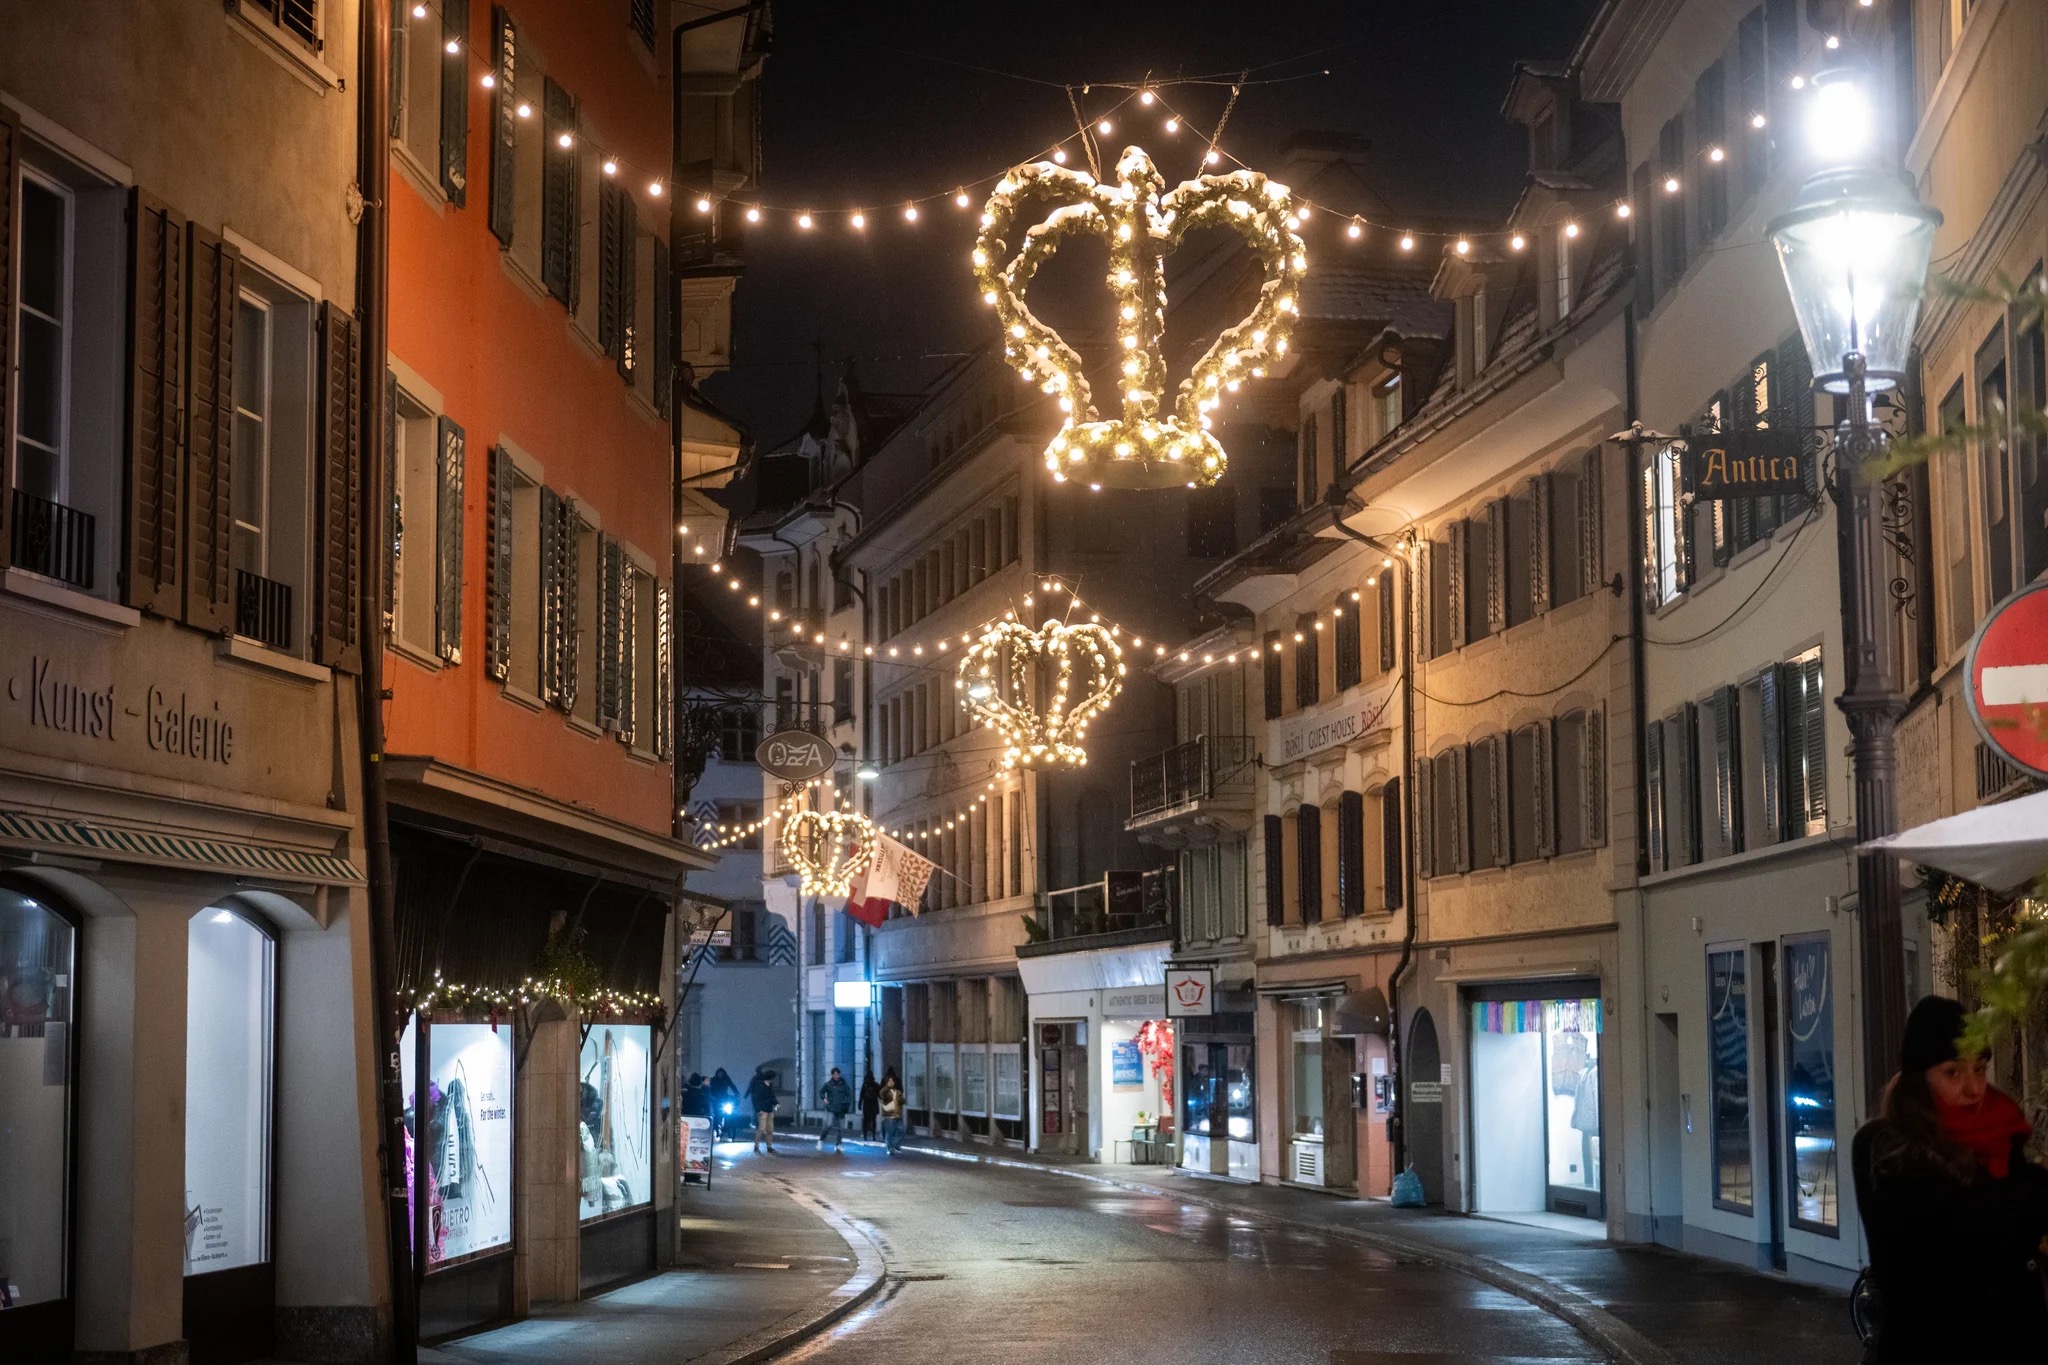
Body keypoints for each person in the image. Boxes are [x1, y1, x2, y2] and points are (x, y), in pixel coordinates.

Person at [1851, 995, 2048, 1362]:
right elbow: (1975, 1236)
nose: (1974, 1088)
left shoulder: (1991, 1138)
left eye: (1980, 1068)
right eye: (1953, 1072)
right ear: (1918, 1078)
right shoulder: (1884, 1147)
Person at [746, 1067, 780, 1154]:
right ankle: (756, 1146)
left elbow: (772, 1096)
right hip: (762, 1110)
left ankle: (769, 1147)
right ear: (770, 1078)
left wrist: (776, 1103)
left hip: (769, 1110)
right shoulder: (760, 1086)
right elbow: (755, 1099)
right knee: (761, 1129)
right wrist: (758, 1110)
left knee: (770, 1129)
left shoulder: (770, 1086)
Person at [819, 1066, 853, 1152]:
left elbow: (849, 1095)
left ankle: (839, 1144)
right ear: (832, 1075)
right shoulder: (828, 1084)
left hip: (841, 1109)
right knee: (828, 1124)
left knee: (841, 1128)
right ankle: (821, 1140)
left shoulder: (844, 1084)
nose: (836, 1076)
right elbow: (821, 1092)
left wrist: (846, 1104)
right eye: (835, 1074)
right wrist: (824, 1098)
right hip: (831, 1108)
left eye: (837, 1074)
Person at [878, 1069, 906, 1155]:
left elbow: (902, 1101)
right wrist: (887, 1087)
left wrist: (900, 1099)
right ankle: (889, 1148)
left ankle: (895, 1144)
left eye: (892, 1081)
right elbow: (881, 1094)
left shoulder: (897, 1091)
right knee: (889, 1133)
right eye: (889, 1081)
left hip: (897, 1114)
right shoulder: (884, 1091)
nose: (891, 1082)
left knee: (902, 1130)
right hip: (889, 1115)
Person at [708, 1068, 740, 1140]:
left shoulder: (726, 1079)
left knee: (729, 1115)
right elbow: (710, 1089)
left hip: (725, 1099)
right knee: (716, 1116)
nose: (720, 1075)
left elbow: (732, 1086)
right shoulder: (713, 1080)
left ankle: (727, 1129)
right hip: (716, 1100)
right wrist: (712, 1096)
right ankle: (716, 1129)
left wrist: (737, 1093)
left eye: (721, 1073)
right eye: (719, 1073)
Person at [859, 1070, 882, 1141]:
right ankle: (874, 1136)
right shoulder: (875, 1084)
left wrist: (859, 1104)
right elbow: (880, 1095)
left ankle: (865, 1136)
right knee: (873, 1120)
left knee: (866, 1120)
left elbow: (861, 1095)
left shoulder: (865, 1084)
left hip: (866, 1103)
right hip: (874, 1104)